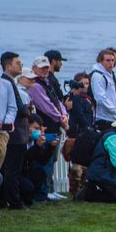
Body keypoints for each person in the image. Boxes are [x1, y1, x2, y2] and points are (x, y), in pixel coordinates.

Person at [28, 56, 69, 201]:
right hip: (46, 127)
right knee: (45, 161)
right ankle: (43, 192)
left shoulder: (48, 83)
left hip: (55, 126)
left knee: (52, 159)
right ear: (34, 69)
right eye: (41, 68)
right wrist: (61, 118)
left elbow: (57, 101)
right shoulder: (36, 85)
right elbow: (46, 106)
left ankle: (50, 189)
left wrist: (64, 115)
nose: (44, 70)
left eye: (46, 68)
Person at [0, 65, 34, 210]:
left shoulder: (7, 82)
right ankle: (14, 201)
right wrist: (26, 111)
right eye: (18, 63)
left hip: (14, 133)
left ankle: (2, 199)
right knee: (12, 171)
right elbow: (19, 108)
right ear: (8, 65)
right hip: (16, 134)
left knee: (6, 169)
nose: (20, 65)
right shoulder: (9, 83)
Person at [65, 72, 95, 195]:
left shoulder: (88, 99)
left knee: (86, 163)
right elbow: (77, 114)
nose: (85, 86)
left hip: (87, 133)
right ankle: (75, 188)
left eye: (87, 83)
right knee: (76, 164)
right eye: (82, 84)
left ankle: (84, 187)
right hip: (76, 134)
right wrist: (74, 96)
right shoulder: (72, 99)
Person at [20, 115, 59, 207]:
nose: (37, 131)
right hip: (19, 172)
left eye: (39, 129)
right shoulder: (20, 140)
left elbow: (42, 161)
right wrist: (37, 146)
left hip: (28, 171)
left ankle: (32, 198)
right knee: (28, 185)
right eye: (35, 128)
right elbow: (24, 159)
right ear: (27, 126)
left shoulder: (34, 141)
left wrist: (51, 148)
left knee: (40, 173)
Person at [90, 48, 116, 132]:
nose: (111, 63)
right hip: (103, 118)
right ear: (101, 61)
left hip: (112, 117)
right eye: (107, 60)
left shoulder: (110, 74)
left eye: (112, 60)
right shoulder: (98, 76)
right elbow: (100, 97)